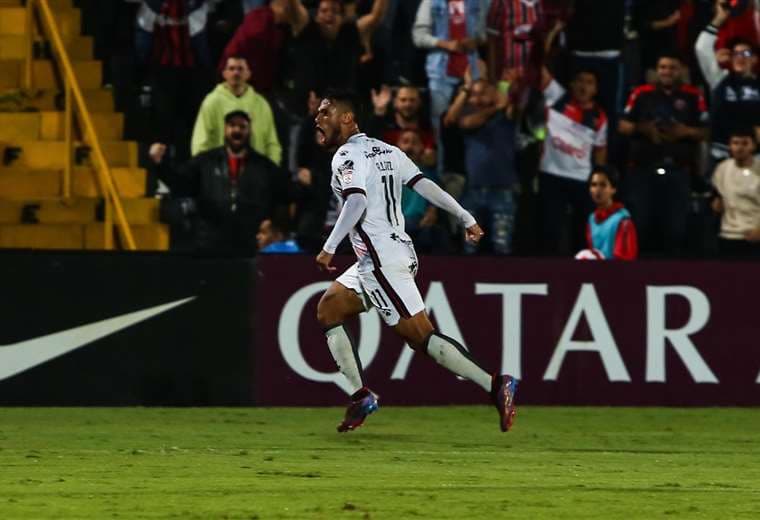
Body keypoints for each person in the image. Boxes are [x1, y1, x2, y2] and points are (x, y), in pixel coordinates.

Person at [312, 90, 517, 433]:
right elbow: (424, 185)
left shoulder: (346, 156)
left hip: (381, 262)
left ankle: (496, 384)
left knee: (422, 337)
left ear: (347, 118)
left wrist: (330, 246)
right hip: (393, 254)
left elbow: (356, 201)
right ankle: (360, 395)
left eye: (325, 113)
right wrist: (464, 216)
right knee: (329, 309)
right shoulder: (388, 150)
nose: (318, 119)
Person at [149, 110, 289, 254]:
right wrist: (160, 164)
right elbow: (180, 183)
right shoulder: (205, 162)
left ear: (249, 131)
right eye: (232, 125)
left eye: (242, 126)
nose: (237, 130)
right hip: (210, 245)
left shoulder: (263, 165)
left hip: (248, 246)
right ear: (225, 129)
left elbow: (284, 192)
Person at [619, 53, 708, 257]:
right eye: (663, 67)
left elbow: (706, 131)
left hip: (678, 169)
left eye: (672, 67)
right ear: (656, 71)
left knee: (676, 228)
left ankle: (672, 273)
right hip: (643, 169)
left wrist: (684, 132)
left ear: (681, 71)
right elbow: (622, 125)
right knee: (640, 223)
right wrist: (645, 129)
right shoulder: (641, 93)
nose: (667, 72)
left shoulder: (693, 95)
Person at [444, 78, 518, 255]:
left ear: (494, 93)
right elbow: (464, 123)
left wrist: (506, 88)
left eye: (482, 93)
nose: (476, 98)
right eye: (473, 94)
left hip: (503, 189)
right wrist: (496, 107)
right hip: (474, 189)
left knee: (502, 246)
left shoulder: (506, 114)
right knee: (470, 246)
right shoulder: (469, 116)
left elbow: (513, 105)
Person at [539, 67, 608, 255]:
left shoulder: (599, 117)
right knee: (550, 229)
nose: (584, 86)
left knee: (582, 230)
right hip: (551, 173)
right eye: (580, 81)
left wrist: (599, 180)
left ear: (595, 89)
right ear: (572, 84)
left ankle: (580, 269)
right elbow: (540, 70)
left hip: (581, 179)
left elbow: (601, 149)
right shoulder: (557, 98)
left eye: (589, 83)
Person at [696, 1, 760, 169]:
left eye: (746, 53)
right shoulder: (719, 78)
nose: (740, 57)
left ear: (755, 59)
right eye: (735, 54)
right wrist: (718, 20)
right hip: (722, 154)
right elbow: (701, 48)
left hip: (756, 157)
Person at [191, 56, 282, 165]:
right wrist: (207, 172)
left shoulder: (261, 104)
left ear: (248, 74)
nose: (236, 73)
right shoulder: (211, 102)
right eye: (231, 68)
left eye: (240, 69)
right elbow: (200, 142)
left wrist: (270, 171)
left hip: (256, 172)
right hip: (220, 172)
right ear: (224, 74)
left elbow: (272, 143)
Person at [712, 129, 760, 258]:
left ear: (753, 146)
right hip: (727, 235)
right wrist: (717, 204)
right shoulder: (722, 168)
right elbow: (718, 197)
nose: (739, 148)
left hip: (753, 236)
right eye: (735, 143)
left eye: (745, 143)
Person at [366, 85, 437, 168]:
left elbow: (431, 159)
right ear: (395, 102)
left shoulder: (426, 127)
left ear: (419, 102)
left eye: (412, 100)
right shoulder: (384, 126)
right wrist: (379, 111)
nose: (408, 104)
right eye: (403, 100)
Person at [584, 165, 638, 260]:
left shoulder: (623, 221)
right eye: (594, 185)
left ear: (613, 189)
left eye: (603, 185)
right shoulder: (591, 218)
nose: (597, 190)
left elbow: (625, 260)